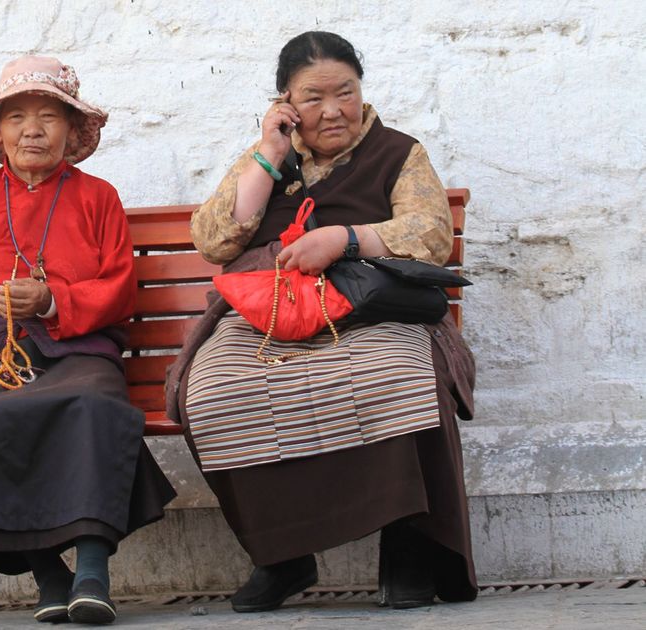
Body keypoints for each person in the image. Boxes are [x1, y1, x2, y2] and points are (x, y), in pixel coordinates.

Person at [166, 31, 478, 613]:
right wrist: (268, 153)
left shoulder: (399, 152)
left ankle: (409, 543)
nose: (332, 110)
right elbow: (212, 239)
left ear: (362, 90)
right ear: (285, 100)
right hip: (269, 308)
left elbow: (432, 234)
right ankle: (281, 557)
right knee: (210, 391)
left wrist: (346, 238)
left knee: (402, 372)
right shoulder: (269, 156)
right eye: (312, 98)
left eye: (346, 93)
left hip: (369, 305)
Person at [0, 54, 176, 626]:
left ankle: (90, 571)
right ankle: (49, 575)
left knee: (94, 404)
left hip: (75, 343)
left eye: (48, 117)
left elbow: (119, 289)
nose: (32, 129)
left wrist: (53, 299)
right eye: (17, 117)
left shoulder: (98, 197)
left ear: (71, 130)